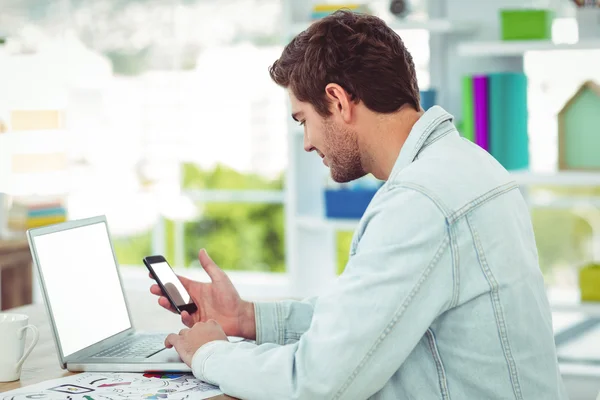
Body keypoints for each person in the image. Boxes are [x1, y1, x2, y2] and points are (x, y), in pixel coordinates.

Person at [151, 10, 568, 400]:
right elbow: (368, 318)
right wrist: (246, 317)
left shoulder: (420, 201)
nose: (308, 142)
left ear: (337, 100)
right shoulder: (467, 165)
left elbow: (319, 382)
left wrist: (210, 354)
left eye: (303, 120)